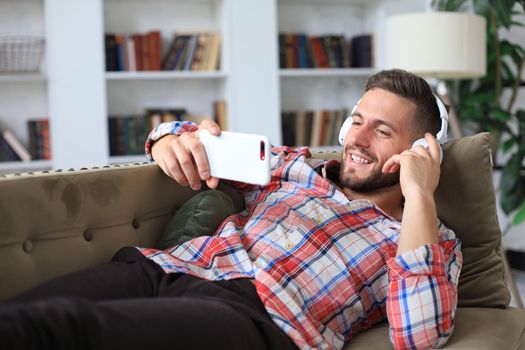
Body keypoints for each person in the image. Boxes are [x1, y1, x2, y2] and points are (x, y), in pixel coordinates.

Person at [0, 69, 461, 350]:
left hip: (254, 317)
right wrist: (171, 138)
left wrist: (419, 193)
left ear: (421, 149)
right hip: (165, 269)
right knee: (18, 314)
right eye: (356, 121)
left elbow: (420, 334)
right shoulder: (292, 166)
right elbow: (192, 138)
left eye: (382, 131)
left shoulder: (429, 237)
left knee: (54, 330)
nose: (357, 139)